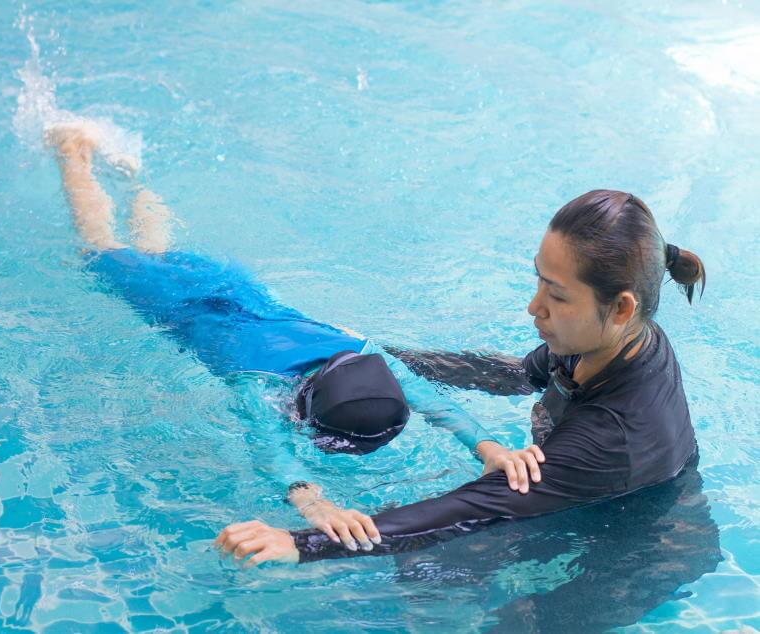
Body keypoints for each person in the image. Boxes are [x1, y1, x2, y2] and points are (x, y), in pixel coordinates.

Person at [46, 122, 543, 553]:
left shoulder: (368, 354)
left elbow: (436, 403)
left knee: (159, 249)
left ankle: (132, 177)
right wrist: (313, 502)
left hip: (233, 288)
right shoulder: (254, 381)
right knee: (98, 246)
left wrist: (488, 447)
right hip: (177, 306)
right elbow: (268, 446)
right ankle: (73, 152)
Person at [215, 189, 707, 567]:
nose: (534, 307)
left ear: (621, 307)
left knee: (431, 573)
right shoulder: (602, 340)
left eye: (555, 296)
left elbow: (469, 508)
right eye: (538, 280)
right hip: (574, 500)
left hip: (630, 553)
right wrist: (376, 354)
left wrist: (300, 544)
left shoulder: (613, 435)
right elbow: (515, 374)